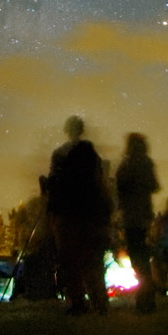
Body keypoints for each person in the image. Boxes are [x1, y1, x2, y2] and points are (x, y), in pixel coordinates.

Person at [42, 115, 113, 315]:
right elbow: (100, 182)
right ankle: (100, 302)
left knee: (70, 260)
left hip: (66, 213)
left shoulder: (59, 154)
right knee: (92, 260)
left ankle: (78, 302)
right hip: (90, 213)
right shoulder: (91, 155)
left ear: (67, 130)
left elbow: (52, 183)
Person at [114, 133, 160, 313]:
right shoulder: (146, 163)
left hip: (132, 216)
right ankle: (147, 298)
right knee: (142, 258)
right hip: (143, 217)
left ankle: (145, 299)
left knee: (137, 259)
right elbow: (154, 185)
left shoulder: (127, 165)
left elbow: (120, 187)